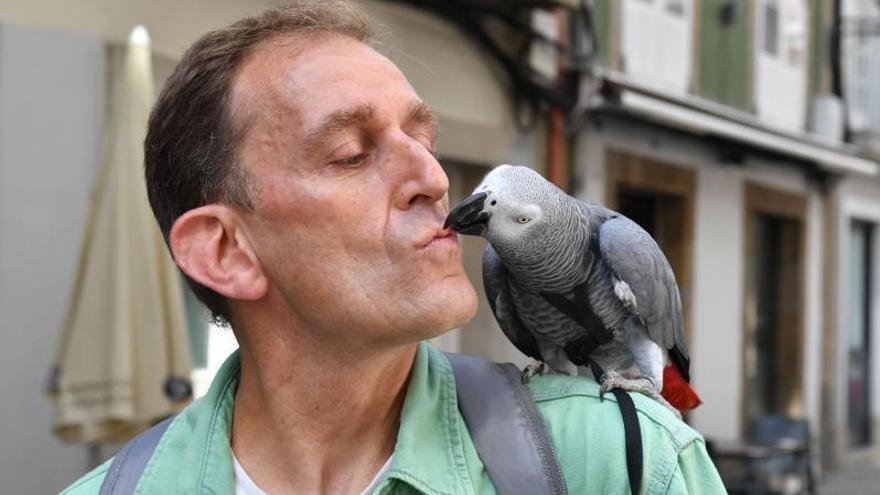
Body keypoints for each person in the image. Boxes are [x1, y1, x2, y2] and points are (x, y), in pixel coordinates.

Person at [62, 2, 726, 493]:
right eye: (351, 154)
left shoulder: (624, 461)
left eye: (424, 140)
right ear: (226, 251)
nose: (435, 180)